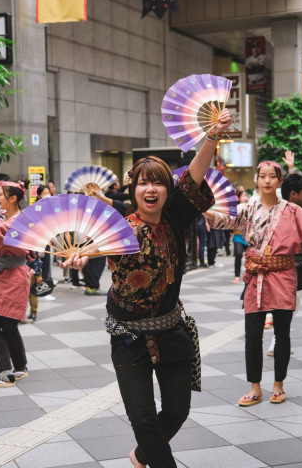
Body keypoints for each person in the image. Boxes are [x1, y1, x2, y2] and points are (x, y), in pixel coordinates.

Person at [61, 109, 231, 468]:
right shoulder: (120, 228)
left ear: (168, 190)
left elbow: (196, 174)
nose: (150, 189)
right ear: (133, 189)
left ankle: (141, 457)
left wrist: (212, 136)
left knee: (177, 410)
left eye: (158, 183)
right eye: (142, 183)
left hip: (171, 331)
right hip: (128, 337)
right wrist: (78, 256)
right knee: (143, 419)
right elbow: (94, 247)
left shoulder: (175, 216)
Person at [206, 160, 302, 406]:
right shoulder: (247, 210)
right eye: (263, 176)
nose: (268, 180)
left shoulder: (293, 211)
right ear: (257, 180)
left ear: (280, 181)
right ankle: (255, 387)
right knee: (252, 335)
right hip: (255, 278)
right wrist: (201, 207)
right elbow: (223, 221)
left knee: (282, 333)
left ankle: (278, 385)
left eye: (273, 176)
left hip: (283, 275)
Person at [0, 180, 32, 387]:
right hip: (4, 277)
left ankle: (7, 373)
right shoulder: (11, 218)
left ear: (13, 198)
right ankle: (19, 367)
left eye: (1, 194)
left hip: (12, 277)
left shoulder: (18, 221)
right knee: (3, 325)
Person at [266, 173, 302, 355]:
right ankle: (277, 342)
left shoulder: (282, 211)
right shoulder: (284, 214)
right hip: (292, 270)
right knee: (289, 308)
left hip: (292, 271)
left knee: (290, 308)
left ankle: (276, 342)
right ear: (293, 194)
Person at [233, 191, 250, 283]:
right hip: (238, 235)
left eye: (247, 196)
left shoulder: (252, 208)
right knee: (238, 254)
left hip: (248, 237)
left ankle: (249, 274)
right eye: (243, 196)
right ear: (239, 198)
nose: (245, 197)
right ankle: (236, 276)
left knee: (250, 256)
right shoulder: (235, 209)